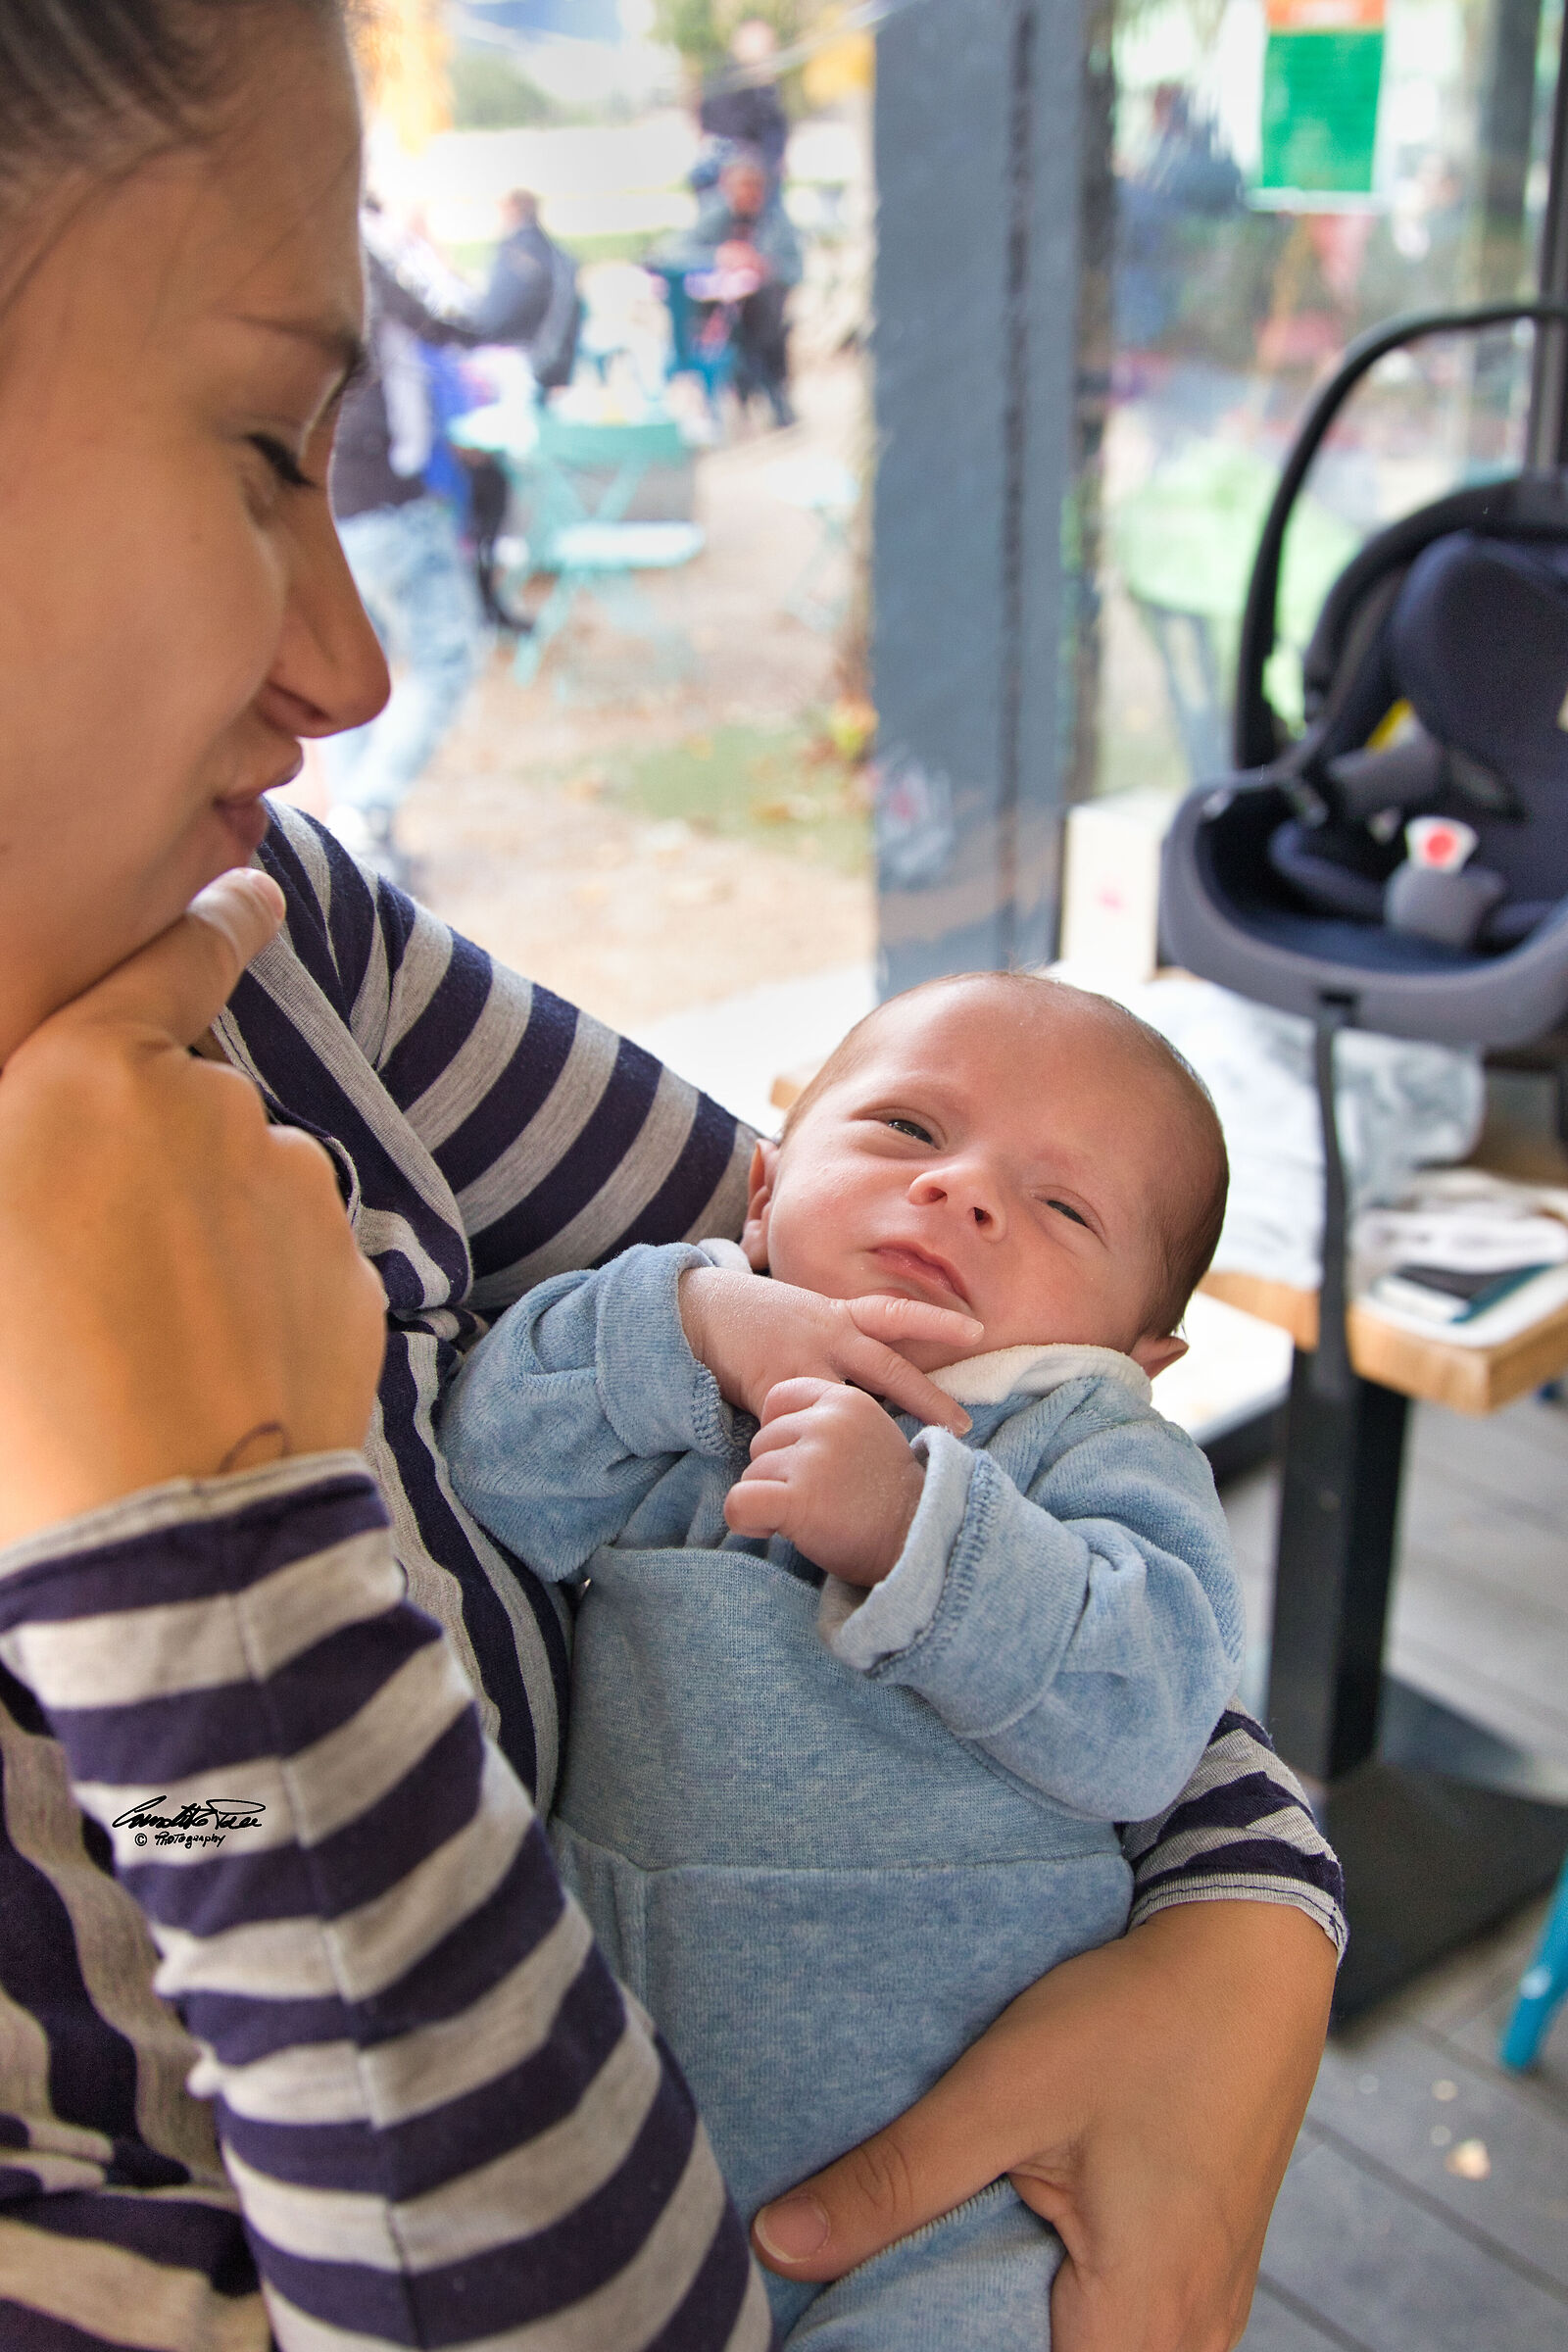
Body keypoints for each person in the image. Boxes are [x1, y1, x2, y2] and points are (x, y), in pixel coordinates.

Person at [0, 4, 1341, 2349]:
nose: (348, 660)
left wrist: (1245, 1922)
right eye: (252, 447)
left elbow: (878, 1302)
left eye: (345, 458)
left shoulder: (263, 932)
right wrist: (220, 1558)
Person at [444, 972, 1244, 2345]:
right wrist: (691, 1324)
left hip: (952, 2185)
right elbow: (492, 1469)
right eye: (907, 1134)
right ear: (763, 1194)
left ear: (1136, 1349)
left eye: (1062, 1207)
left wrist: (913, 1530)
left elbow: (1150, 1714)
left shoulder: (1086, 1453)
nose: (966, 1194)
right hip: (613, 2125)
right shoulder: (694, 1389)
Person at [663, 146, 804, 428]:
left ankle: (769, 393)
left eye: (754, 187)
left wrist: (765, 267)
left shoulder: (776, 224)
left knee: (763, 323)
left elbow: (795, 269)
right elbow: (670, 252)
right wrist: (718, 256)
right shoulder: (716, 219)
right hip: (719, 312)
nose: (747, 194)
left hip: (764, 314)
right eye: (740, 186)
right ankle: (731, 393)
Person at [700, 20, 791, 193]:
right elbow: (729, 129)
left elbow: (776, 127)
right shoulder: (730, 83)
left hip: (761, 175)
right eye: (766, 44)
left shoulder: (766, 88)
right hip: (735, 170)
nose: (772, 51)